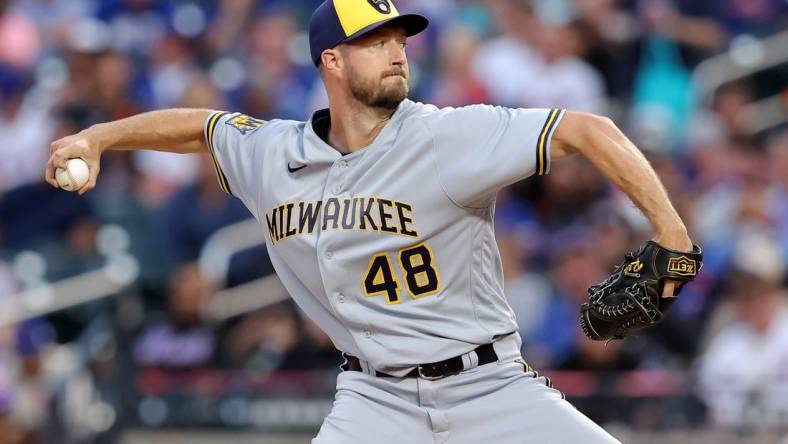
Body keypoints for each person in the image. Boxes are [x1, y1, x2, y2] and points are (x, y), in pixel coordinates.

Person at [45, 1, 695, 442]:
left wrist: (672, 236)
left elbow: (588, 130)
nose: (396, 52)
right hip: (374, 401)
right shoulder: (278, 154)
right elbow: (201, 129)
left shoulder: (447, 136)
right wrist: (99, 137)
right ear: (332, 60)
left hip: (489, 385)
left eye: (399, 40)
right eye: (374, 42)